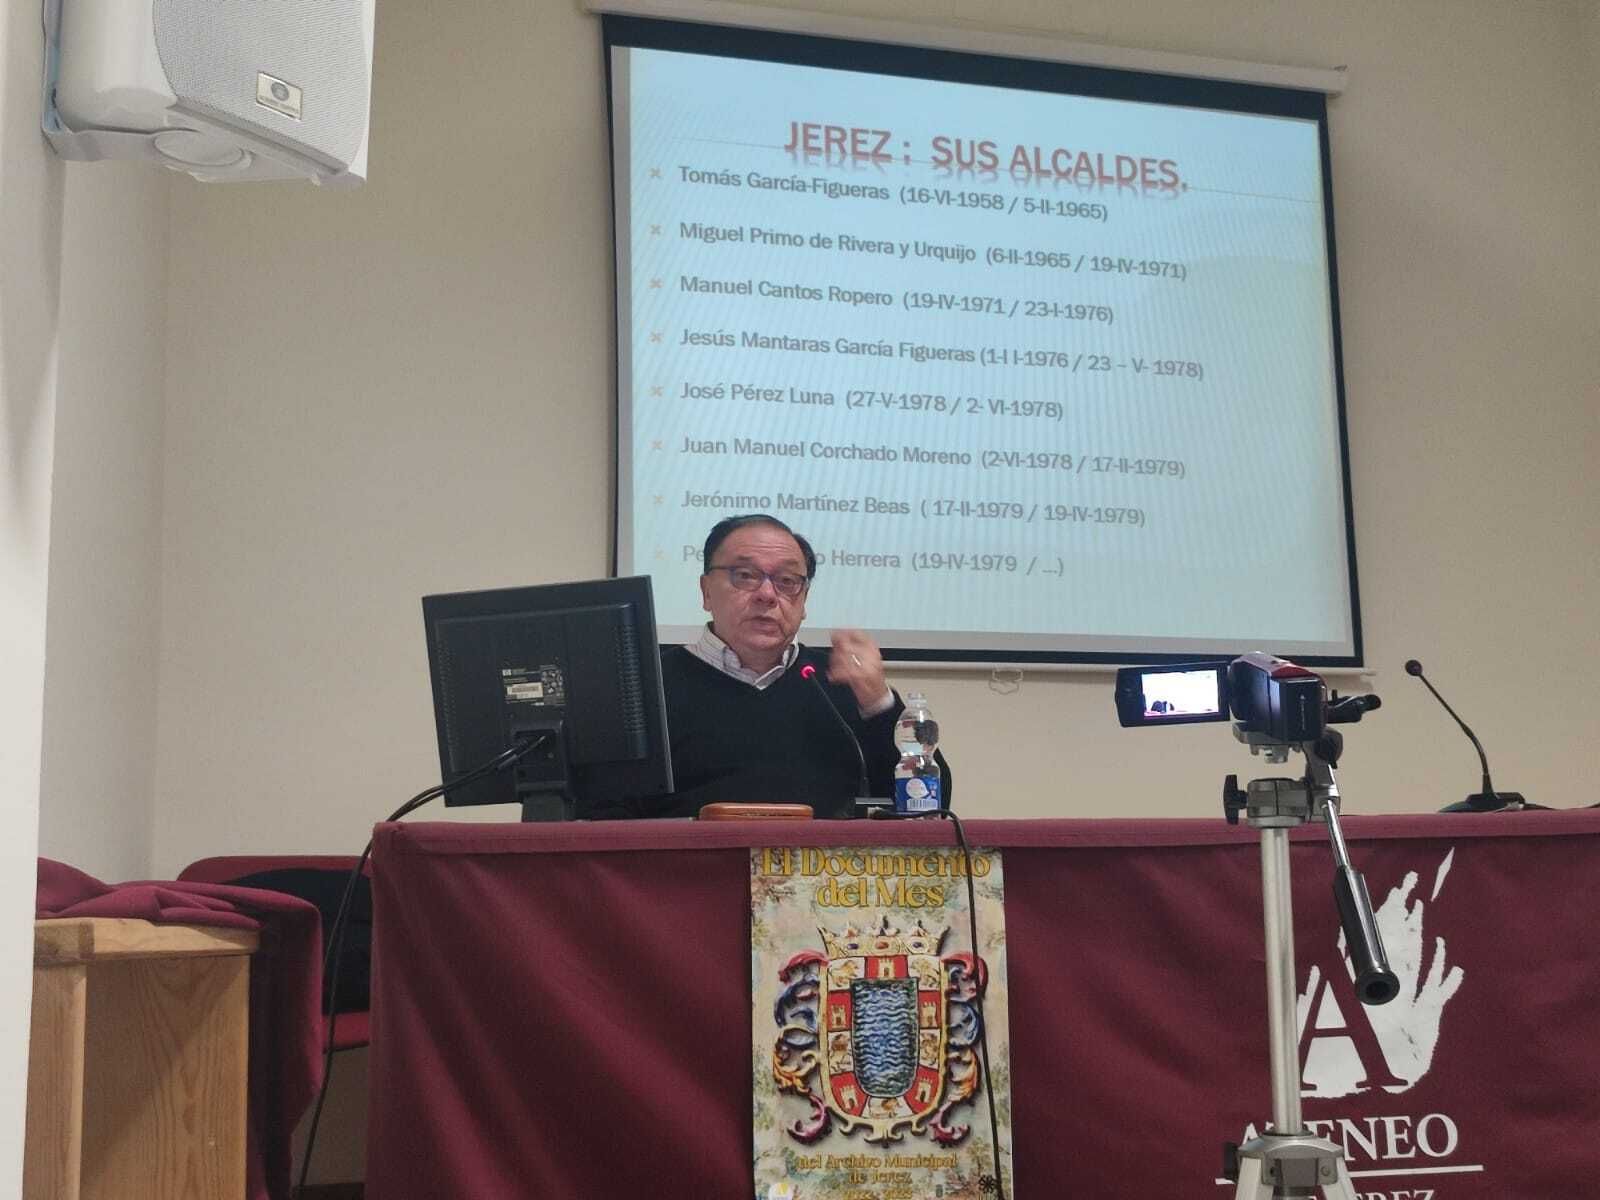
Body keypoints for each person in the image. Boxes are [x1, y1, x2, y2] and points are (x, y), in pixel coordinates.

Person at [639, 513, 951, 819]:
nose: (767, 595)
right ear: (706, 591)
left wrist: (879, 705)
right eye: (745, 575)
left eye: (787, 581)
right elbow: (603, 812)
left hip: (829, 869)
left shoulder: (836, 685)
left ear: (804, 601)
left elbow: (928, 806)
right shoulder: (647, 688)